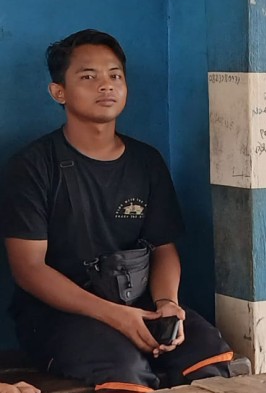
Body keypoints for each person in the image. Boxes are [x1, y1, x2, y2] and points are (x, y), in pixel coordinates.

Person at [0, 29, 233, 393]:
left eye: (114, 76)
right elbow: (29, 269)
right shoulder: (32, 166)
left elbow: (163, 248)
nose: (105, 86)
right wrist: (116, 316)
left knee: (205, 351)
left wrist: (167, 304)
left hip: (139, 304)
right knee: (125, 368)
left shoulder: (146, 161)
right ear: (58, 92)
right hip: (57, 316)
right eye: (88, 76)